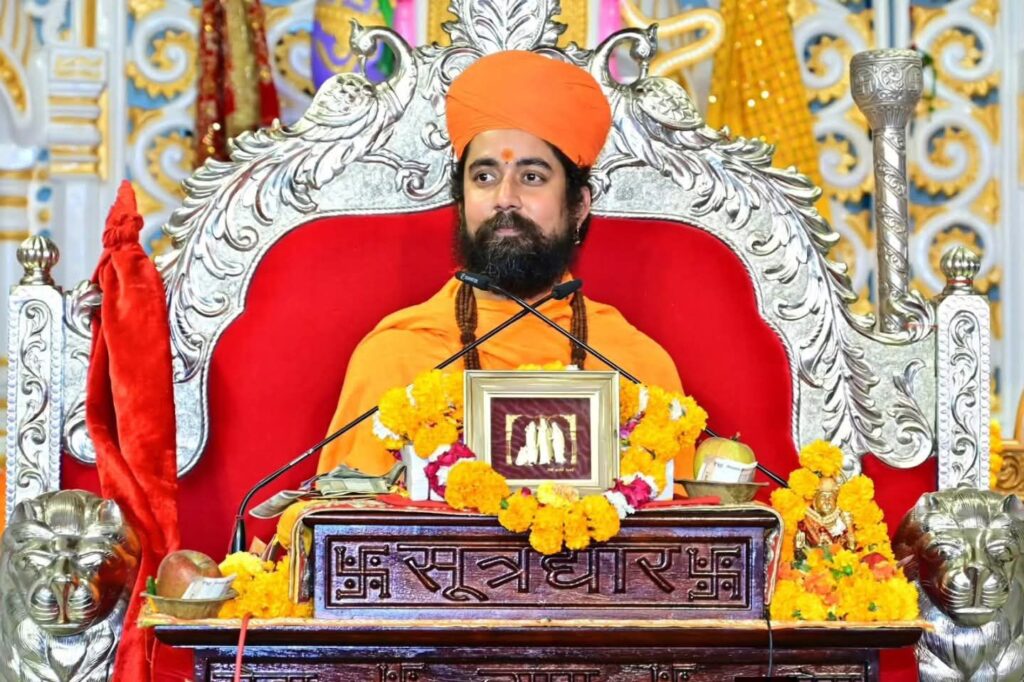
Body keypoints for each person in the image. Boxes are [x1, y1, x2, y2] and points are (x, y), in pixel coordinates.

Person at [318, 50, 683, 476]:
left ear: (578, 206)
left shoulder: (635, 368)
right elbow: (346, 511)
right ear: (461, 203)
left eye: (532, 177)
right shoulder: (398, 360)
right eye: (484, 177)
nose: (505, 197)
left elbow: (678, 514)